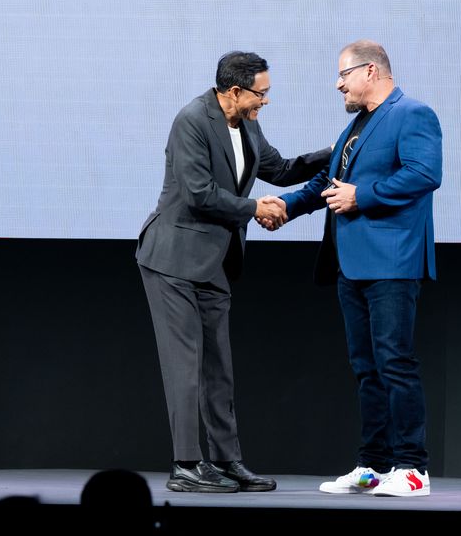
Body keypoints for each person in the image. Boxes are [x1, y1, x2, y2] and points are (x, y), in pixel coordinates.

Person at [136, 51, 331, 493]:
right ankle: (186, 464)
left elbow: (279, 171)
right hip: (172, 259)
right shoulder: (192, 120)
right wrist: (253, 208)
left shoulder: (247, 123)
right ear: (235, 90)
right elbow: (199, 194)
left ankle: (226, 461)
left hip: (215, 263)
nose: (264, 101)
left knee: (219, 367)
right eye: (261, 94)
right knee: (186, 366)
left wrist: (336, 151)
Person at [264, 40, 442, 497]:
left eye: (344, 75)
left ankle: (412, 467)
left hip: (392, 261)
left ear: (370, 72)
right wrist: (284, 205)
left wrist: (362, 195)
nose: (338, 83)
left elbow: (424, 174)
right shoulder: (356, 127)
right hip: (351, 264)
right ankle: (375, 464)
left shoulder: (413, 114)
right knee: (366, 367)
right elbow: (326, 184)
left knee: (395, 362)